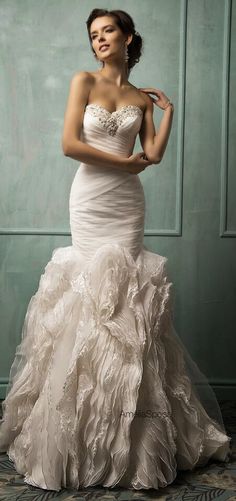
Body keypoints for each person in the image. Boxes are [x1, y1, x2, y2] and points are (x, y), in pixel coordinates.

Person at [0, 7, 232, 493]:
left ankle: (134, 434)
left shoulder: (139, 99)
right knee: (90, 299)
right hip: (90, 199)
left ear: (129, 38)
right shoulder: (83, 80)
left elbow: (153, 156)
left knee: (128, 303)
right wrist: (124, 163)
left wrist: (167, 114)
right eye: (94, 34)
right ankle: (75, 434)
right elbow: (69, 144)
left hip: (127, 206)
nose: (100, 39)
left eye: (109, 31)